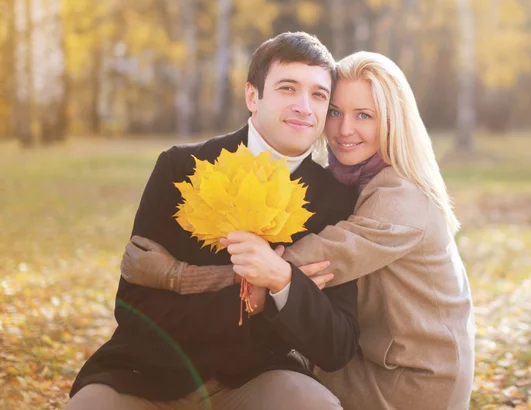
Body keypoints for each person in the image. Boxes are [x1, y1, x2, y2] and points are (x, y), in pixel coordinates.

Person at [123, 51, 476, 410]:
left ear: (393, 122)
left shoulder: (400, 199)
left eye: (364, 115)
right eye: (336, 111)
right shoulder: (358, 182)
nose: (343, 129)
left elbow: (290, 264)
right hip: (375, 354)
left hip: (410, 377)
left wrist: (175, 276)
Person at [65, 32, 361, 410]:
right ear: (252, 96)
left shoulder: (334, 200)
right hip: (146, 375)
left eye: (319, 94)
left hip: (259, 378)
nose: (305, 106)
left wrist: (281, 281)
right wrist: (248, 304)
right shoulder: (181, 167)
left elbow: (336, 344)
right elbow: (135, 306)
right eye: (288, 88)